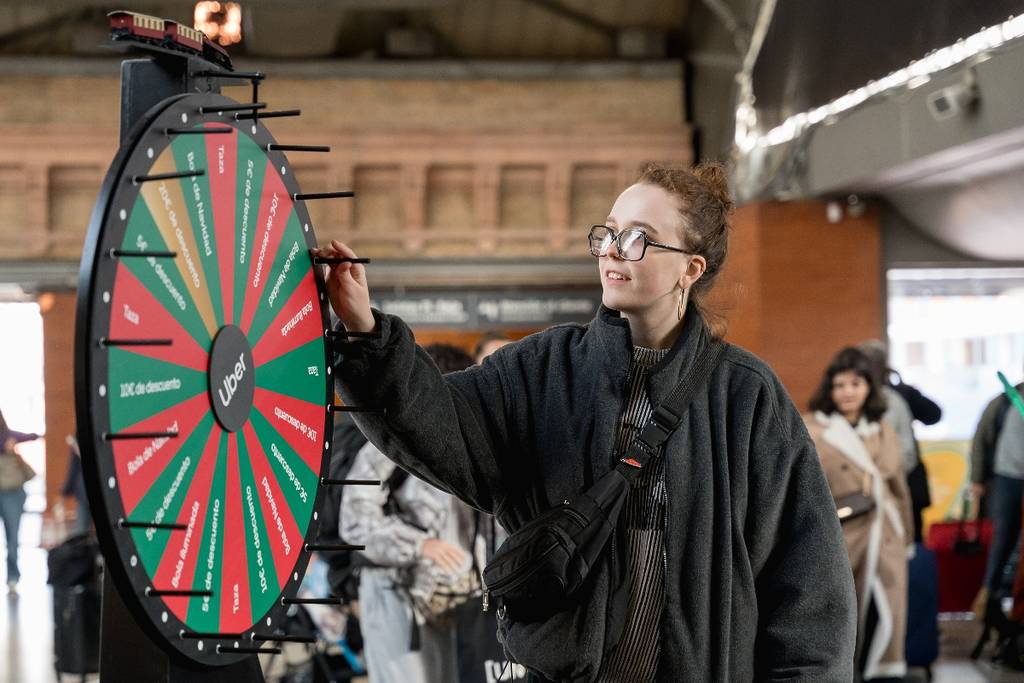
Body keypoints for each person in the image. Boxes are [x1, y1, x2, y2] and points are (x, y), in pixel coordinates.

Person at [319, 162, 856, 682]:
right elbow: (438, 425)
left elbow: (809, 585)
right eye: (610, 233)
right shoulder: (544, 369)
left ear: (691, 268)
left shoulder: (744, 395)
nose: (612, 251)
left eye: (639, 237)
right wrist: (366, 331)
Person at [341, 343, 475, 683]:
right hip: (396, 600)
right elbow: (354, 523)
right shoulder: (390, 440)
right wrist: (419, 545)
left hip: (461, 602)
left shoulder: (473, 440)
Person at [805, 347, 913, 683]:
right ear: (830, 390)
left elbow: (898, 488)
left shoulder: (882, 430)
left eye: (855, 384)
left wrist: (908, 538)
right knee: (840, 618)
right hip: (838, 537)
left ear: (868, 388)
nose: (847, 392)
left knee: (886, 617)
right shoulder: (812, 430)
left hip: (886, 538)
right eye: (840, 385)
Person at [859, 340, 942, 542]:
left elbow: (934, 415)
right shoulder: (857, 396)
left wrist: (905, 391)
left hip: (906, 477)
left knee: (908, 536)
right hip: (873, 482)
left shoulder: (901, 395)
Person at [971, 363, 1024, 617]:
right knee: (1003, 540)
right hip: (1006, 480)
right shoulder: (1005, 401)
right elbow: (981, 438)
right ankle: (989, 597)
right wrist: (977, 479)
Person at [0, 409, 40, 593]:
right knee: (12, 539)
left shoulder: (8, 436)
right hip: (10, 494)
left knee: (13, 539)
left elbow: (26, 436)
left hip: (12, 494)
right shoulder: (8, 438)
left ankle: (13, 578)